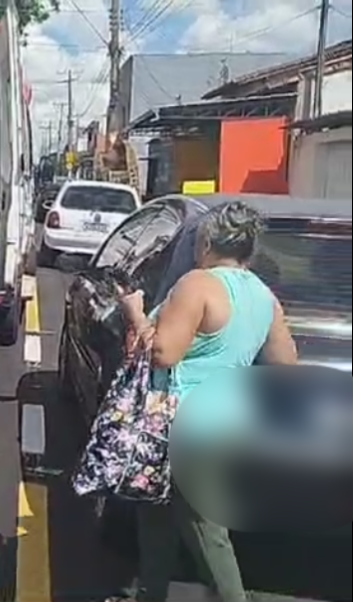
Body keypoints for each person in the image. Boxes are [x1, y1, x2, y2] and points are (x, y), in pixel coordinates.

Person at [111, 201, 298, 602]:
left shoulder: (197, 285)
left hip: (184, 422)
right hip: (228, 420)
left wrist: (135, 313)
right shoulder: (264, 297)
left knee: (205, 527)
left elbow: (164, 353)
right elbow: (285, 364)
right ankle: (149, 592)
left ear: (208, 243)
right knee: (155, 511)